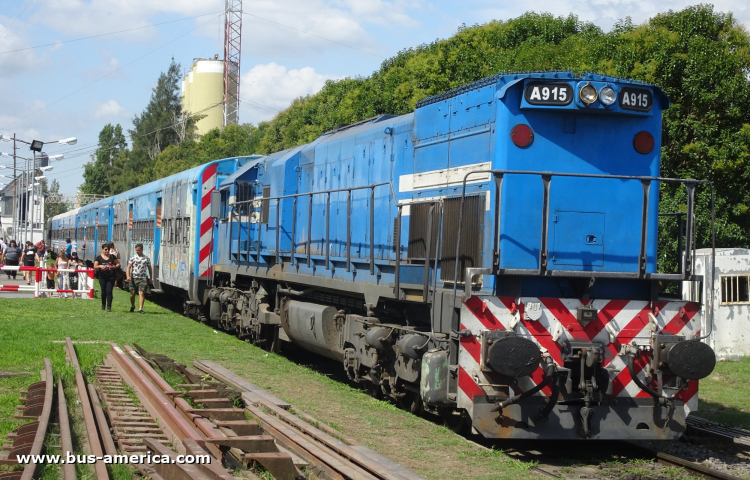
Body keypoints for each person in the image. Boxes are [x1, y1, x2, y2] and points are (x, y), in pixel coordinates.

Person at [126, 243, 152, 314]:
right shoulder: (133, 258)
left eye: (138, 250)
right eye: (136, 250)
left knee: (141, 292)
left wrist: (150, 278)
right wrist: (128, 276)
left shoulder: (146, 259)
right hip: (134, 277)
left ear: (142, 249)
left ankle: (140, 309)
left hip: (143, 277)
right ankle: (133, 305)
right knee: (132, 294)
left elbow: (150, 268)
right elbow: (128, 267)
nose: (137, 251)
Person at [94, 244, 120, 312]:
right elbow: (95, 266)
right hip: (102, 277)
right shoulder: (98, 258)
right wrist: (100, 266)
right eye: (105, 249)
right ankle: (103, 305)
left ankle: (109, 307)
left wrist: (114, 267)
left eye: (108, 249)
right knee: (103, 292)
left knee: (109, 291)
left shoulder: (112, 257)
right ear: (102, 249)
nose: (107, 251)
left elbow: (118, 264)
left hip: (111, 276)